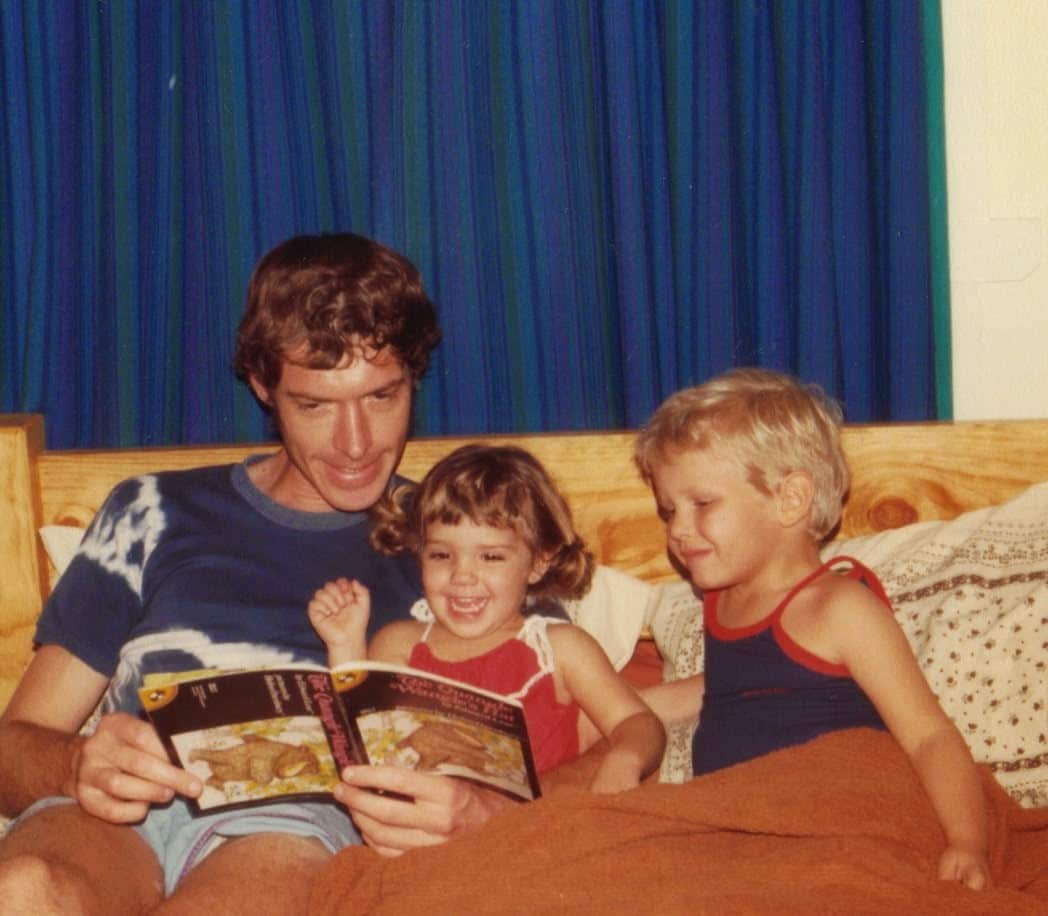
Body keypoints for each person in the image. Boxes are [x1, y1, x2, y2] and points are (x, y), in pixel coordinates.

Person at [0, 233, 514, 913]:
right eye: (316, 405)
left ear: (413, 379)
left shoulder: (462, 538)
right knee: (22, 890)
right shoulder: (152, 511)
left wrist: (484, 809)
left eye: (382, 397)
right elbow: (12, 747)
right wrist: (76, 763)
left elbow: (586, 738)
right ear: (264, 388)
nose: (356, 445)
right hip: (115, 809)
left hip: (290, 815)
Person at [632, 367, 991, 891]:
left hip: (836, 825)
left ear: (790, 499)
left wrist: (967, 841)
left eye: (702, 504)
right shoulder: (721, 601)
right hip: (737, 829)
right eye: (668, 511)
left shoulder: (840, 608)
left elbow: (928, 735)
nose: (678, 531)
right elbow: (728, 690)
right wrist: (608, 705)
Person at [308, 444, 666, 792]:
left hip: (537, 823)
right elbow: (362, 742)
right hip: (420, 822)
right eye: (441, 555)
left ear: (539, 562)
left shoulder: (560, 649)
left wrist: (625, 760)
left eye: (491, 557)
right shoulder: (398, 644)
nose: (462, 576)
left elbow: (639, 722)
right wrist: (345, 645)